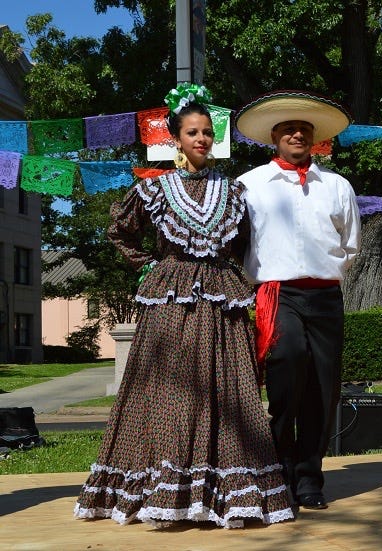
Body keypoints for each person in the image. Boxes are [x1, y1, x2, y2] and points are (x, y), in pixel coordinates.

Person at [74, 83, 294, 528]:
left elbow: (245, 243)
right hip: (171, 298)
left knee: (228, 391)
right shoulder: (155, 189)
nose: (201, 139)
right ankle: (165, 491)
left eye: (208, 133)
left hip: (221, 297)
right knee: (170, 390)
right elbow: (120, 233)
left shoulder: (232, 192)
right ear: (175, 137)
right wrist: (149, 267)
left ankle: (223, 493)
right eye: (192, 132)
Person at [235, 90, 361, 510]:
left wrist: (328, 270)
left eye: (304, 128)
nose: (296, 133)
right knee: (287, 371)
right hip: (277, 293)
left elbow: (350, 245)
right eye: (288, 128)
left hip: (325, 295)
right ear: (273, 135)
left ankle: (309, 478)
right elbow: (235, 242)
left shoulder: (338, 186)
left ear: (314, 137)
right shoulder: (249, 185)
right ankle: (279, 472)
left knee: (323, 391)